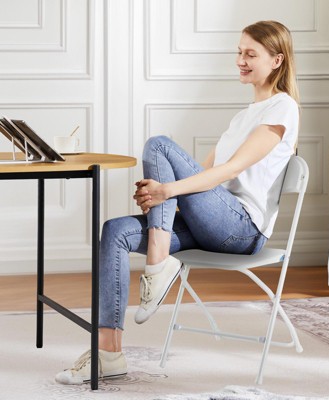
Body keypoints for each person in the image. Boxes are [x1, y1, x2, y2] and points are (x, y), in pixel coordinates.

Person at [55, 20, 300, 385]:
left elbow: (230, 170)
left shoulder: (283, 108)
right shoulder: (242, 116)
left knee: (159, 145)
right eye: (239, 52)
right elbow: (204, 175)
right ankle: (109, 353)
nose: (240, 60)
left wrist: (166, 192)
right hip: (212, 221)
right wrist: (162, 203)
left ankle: (157, 265)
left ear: (277, 60)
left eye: (251, 54)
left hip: (241, 229)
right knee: (115, 230)